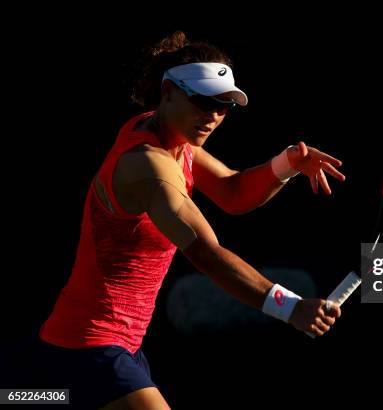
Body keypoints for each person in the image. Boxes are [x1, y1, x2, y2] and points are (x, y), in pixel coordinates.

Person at [36, 31, 346, 409]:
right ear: (168, 92)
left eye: (224, 106)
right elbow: (207, 255)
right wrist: (291, 307)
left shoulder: (167, 134)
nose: (213, 116)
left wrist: (287, 164)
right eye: (202, 101)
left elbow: (232, 191)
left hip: (111, 345)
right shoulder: (148, 167)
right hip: (91, 348)